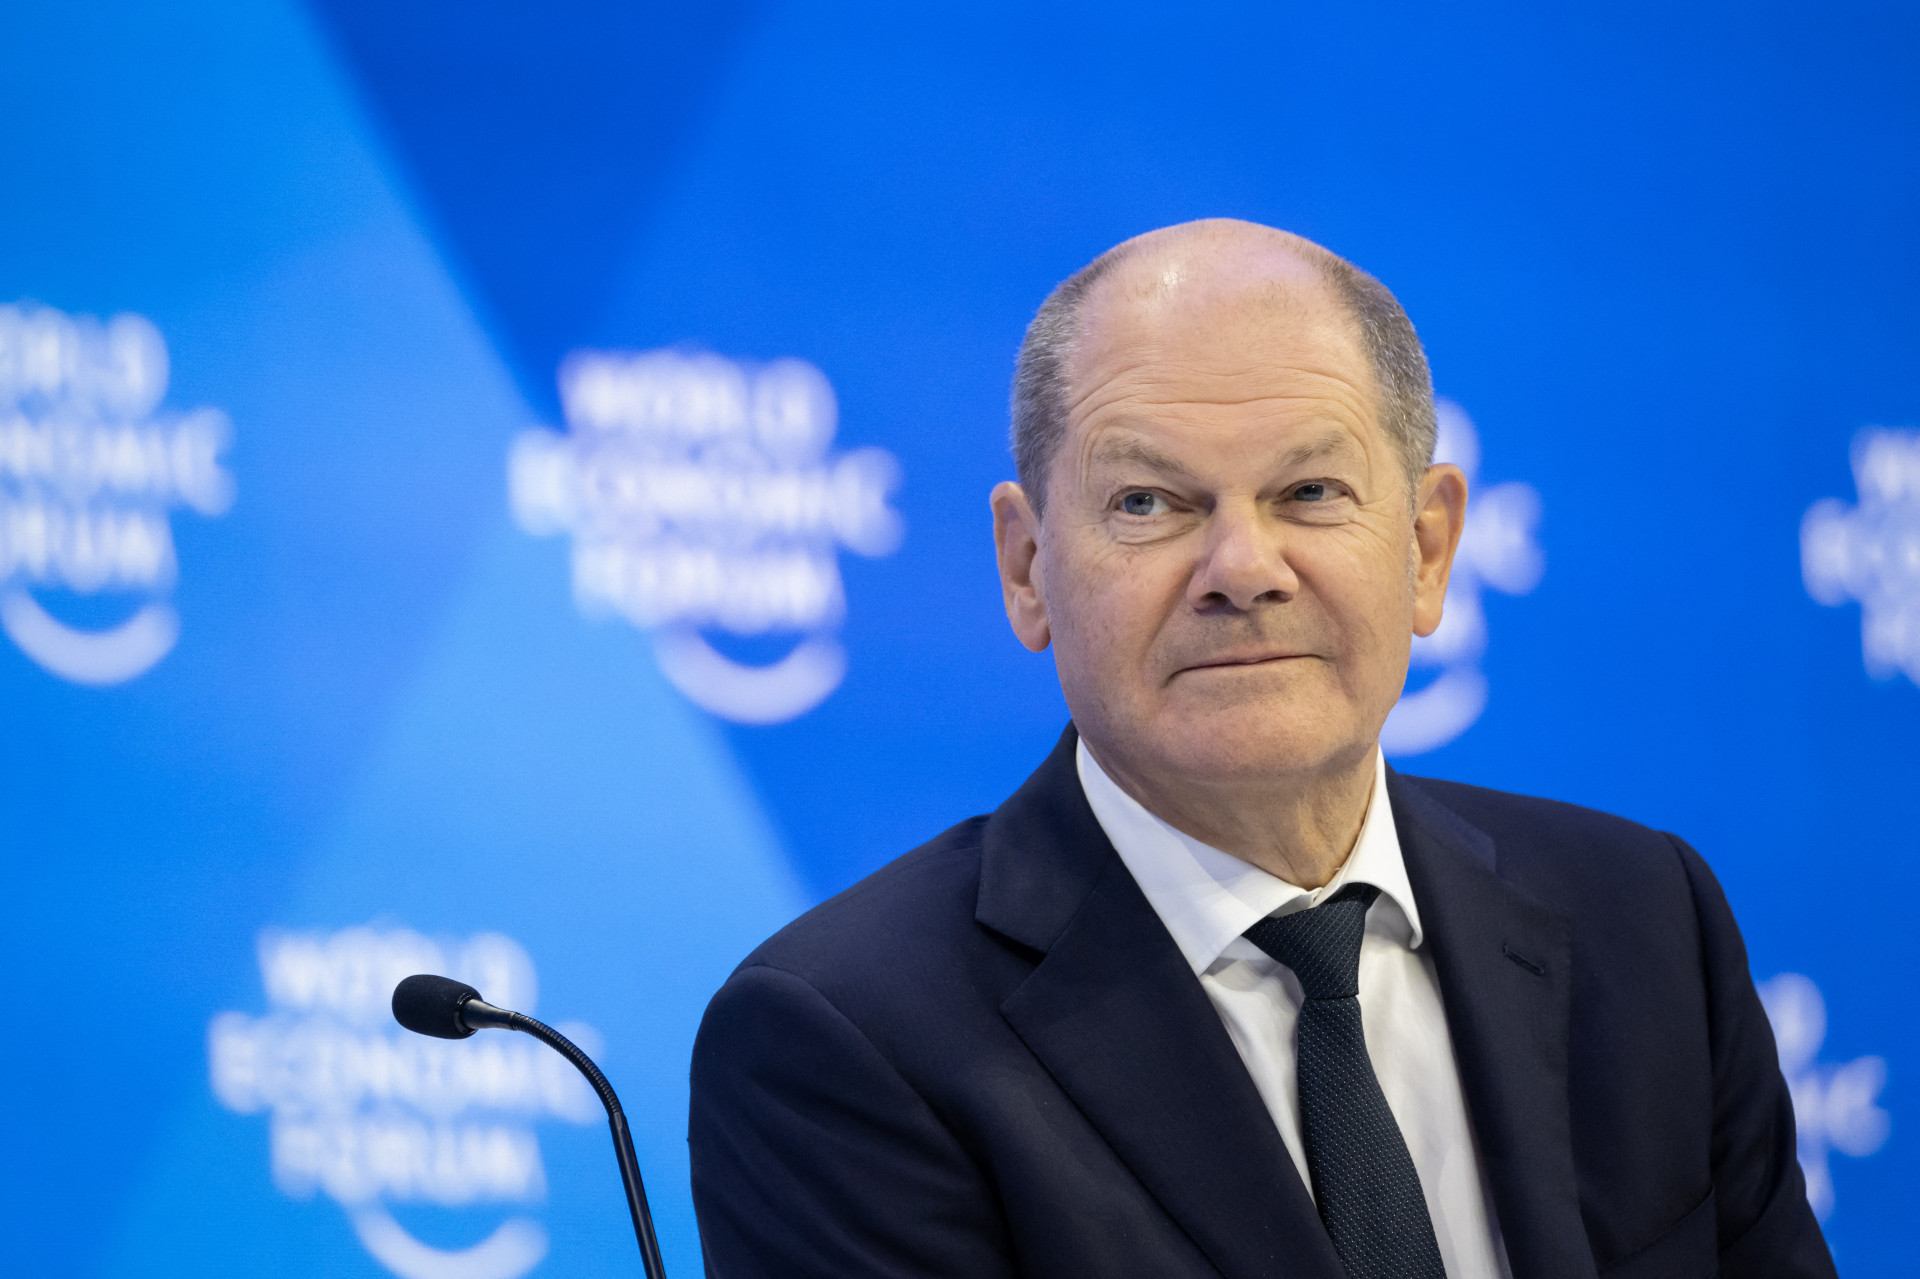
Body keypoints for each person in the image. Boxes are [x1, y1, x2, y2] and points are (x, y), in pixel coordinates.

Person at [687, 219, 1834, 1278]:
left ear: (1428, 548)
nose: (1244, 567)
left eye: (1310, 490)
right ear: (1027, 567)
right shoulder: (843, 1038)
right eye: (1148, 503)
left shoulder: (1645, 920)